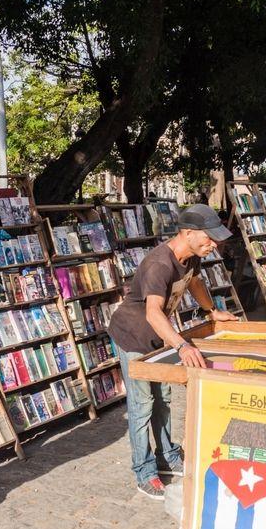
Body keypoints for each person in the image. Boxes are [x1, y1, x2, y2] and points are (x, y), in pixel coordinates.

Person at [108, 204, 237, 500]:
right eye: (209, 238)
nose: (213, 245)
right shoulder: (160, 264)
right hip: (133, 337)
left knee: (163, 399)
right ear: (188, 233)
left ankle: (167, 455)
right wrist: (181, 345)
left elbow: (194, 282)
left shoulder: (192, 256)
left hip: (159, 337)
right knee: (142, 406)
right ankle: (144, 470)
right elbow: (154, 313)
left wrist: (211, 311)